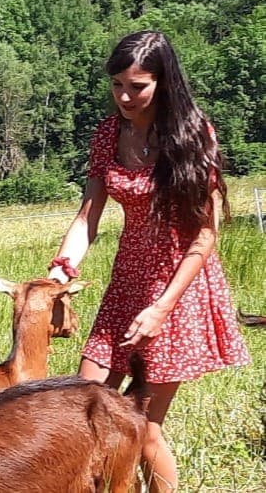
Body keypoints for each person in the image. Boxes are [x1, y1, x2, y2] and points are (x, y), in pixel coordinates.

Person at [47, 30, 250, 492]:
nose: (124, 96)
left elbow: (205, 235)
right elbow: (87, 217)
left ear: (163, 82)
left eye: (136, 86)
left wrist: (162, 308)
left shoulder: (192, 134)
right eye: (116, 84)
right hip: (127, 283)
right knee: (82, 408)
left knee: (142, 428)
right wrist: (58, 276)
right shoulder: (107, 134)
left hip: (179, 291)